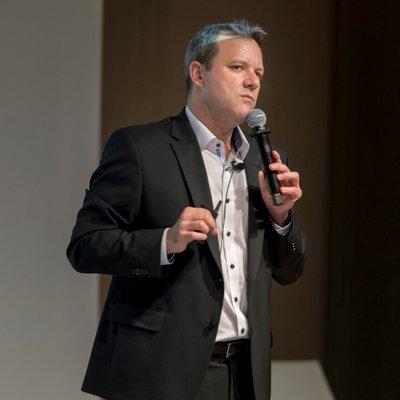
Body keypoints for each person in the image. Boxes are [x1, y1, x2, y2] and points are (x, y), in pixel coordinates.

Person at [67, 20, 307, 400]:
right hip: (160, 372)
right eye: (238, 67)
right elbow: (85, 245)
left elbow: (289, 271)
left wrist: (282, 220)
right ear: (198, 73)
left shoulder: (265, 162)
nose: (252, 81)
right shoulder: (140, 148)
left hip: (245, 374)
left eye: (259, 73)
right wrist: (166, 241)